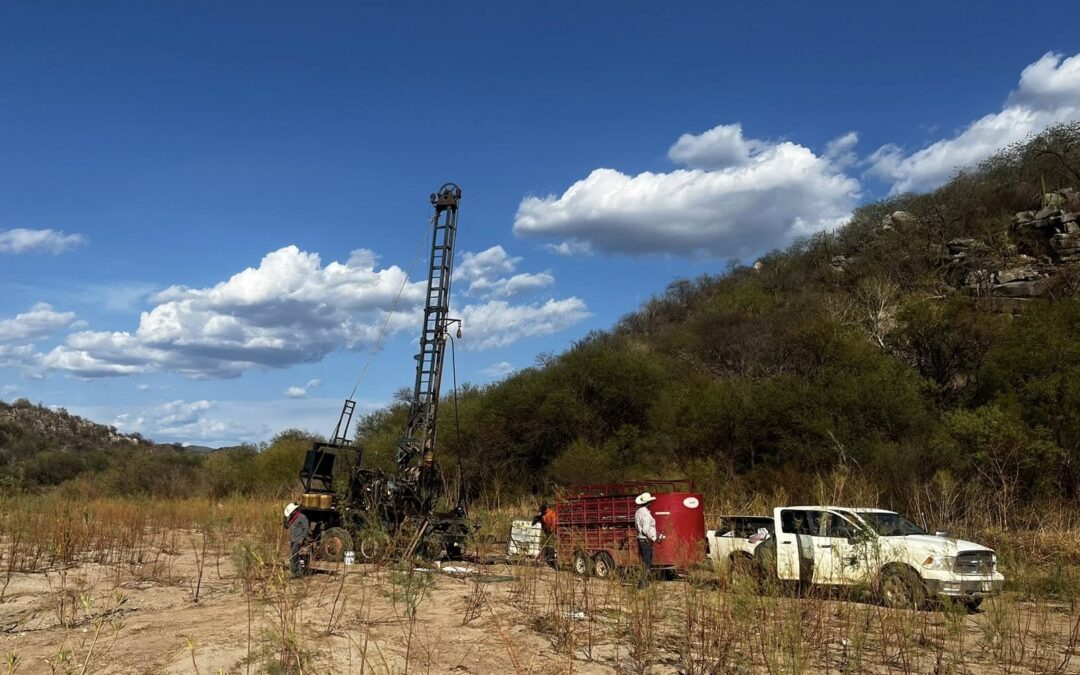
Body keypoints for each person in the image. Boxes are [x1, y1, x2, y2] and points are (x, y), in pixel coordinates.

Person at [634, 492, 664, 588]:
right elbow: (645, 530)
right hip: (646, 540)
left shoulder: (638, 512)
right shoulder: (646, 514)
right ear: (649, 503)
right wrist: (654, 537)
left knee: (643, 562)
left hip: (640, 539)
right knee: (647, 563)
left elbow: (640, 527)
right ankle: (643, 583)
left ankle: (643, 582)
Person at [283, 502, 309, 578]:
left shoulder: (302, 517)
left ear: (294, 511)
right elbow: (287, 526)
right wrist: (284, 519)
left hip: (298, 540)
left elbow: (306, 528)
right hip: (293, 539)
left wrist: (302, 538)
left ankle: (296, 573)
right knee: (294, 556)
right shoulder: (292, 518)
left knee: (293, 556)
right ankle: (297, 573)